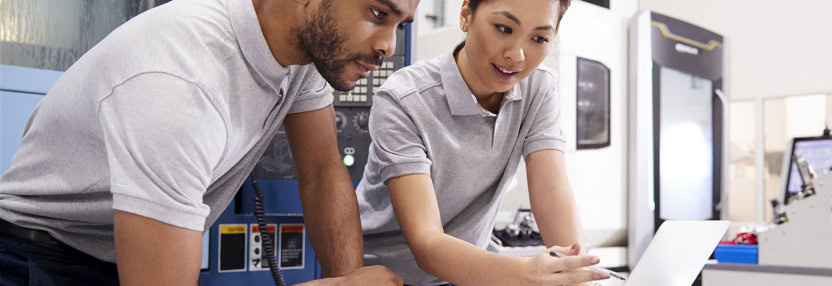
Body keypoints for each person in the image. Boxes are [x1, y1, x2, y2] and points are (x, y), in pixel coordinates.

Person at [0, 0, 418, 284]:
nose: (387, 45)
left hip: (117, 255)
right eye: (378, 12)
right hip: (36, 259)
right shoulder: (179, 80)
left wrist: (350, 279)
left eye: (401, 25)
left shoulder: (303, 50)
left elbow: (322, 171)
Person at [354, 0, 607, 285]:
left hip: (468, 273)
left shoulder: (538, 88)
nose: (517, 55)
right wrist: (526, 273)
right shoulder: (404, 99)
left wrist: (577, 274)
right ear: (465, 15)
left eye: (539, 38)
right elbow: (426, 244)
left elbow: (553, 190)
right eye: (503, 28)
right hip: (384, 275)